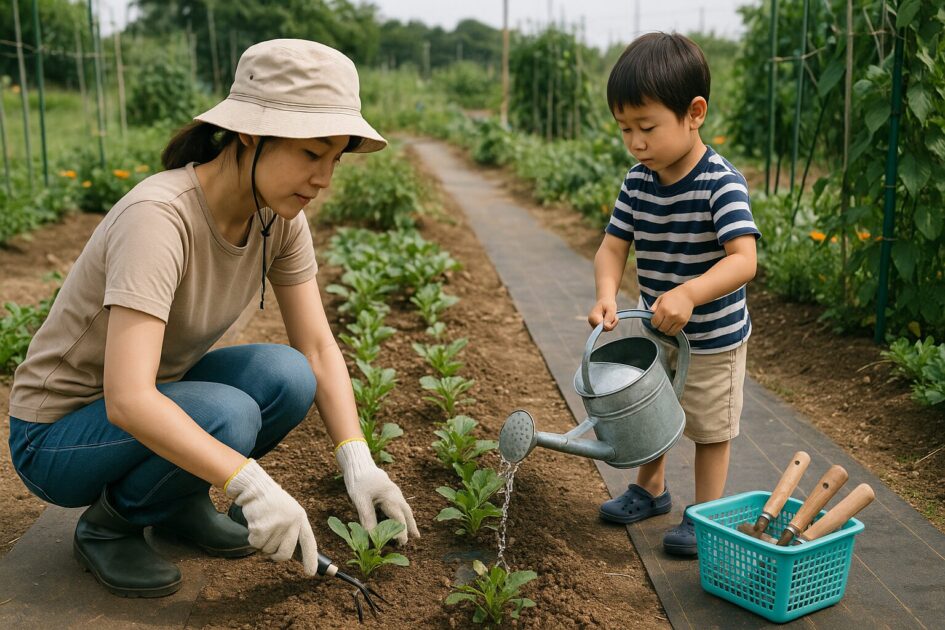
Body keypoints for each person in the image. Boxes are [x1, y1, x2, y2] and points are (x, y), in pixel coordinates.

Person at [7, 39, 419, 597]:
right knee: (227, 414)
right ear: (250, 133)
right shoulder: (159, 218)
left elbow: (318, 349)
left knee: (288, 374)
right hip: (58, 435)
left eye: (335, 158)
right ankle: (109, 529)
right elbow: (127, 398)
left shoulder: (278, 220)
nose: (324, 178)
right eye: (310, 153)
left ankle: (174, 502)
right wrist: (246, 479)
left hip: (155, 399)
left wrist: (358, 460)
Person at [588, 32, 760, 557]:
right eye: (625, 129)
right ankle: (651, 488)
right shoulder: (638, 182)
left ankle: (706, 516)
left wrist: (689, 293)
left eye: (647, 127)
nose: (636, 142)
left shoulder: (720, 183)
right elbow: (611, 249)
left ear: (694, 113)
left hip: (712, 339)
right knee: (651, 411)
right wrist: (605, 293)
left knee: (709, 430)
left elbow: (743, 260)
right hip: (659, 329)